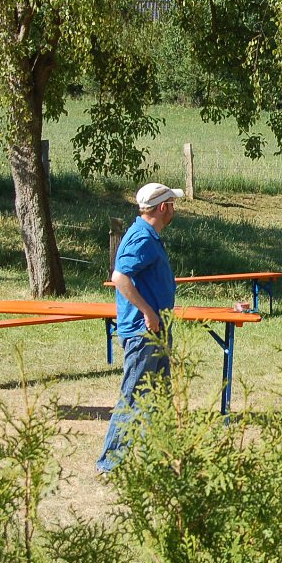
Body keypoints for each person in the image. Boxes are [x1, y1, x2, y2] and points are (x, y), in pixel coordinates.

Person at [97, 183, 183, 474]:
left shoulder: (149, 235)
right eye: (172, 203)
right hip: (143, 332)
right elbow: (120, 277)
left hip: (155, 329)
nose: (174, 209)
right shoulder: (142, 238)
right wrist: (148, 312)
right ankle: (109, 464)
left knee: (158, 398)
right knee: (133, 397)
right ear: (162, 208)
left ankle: (162, 461)